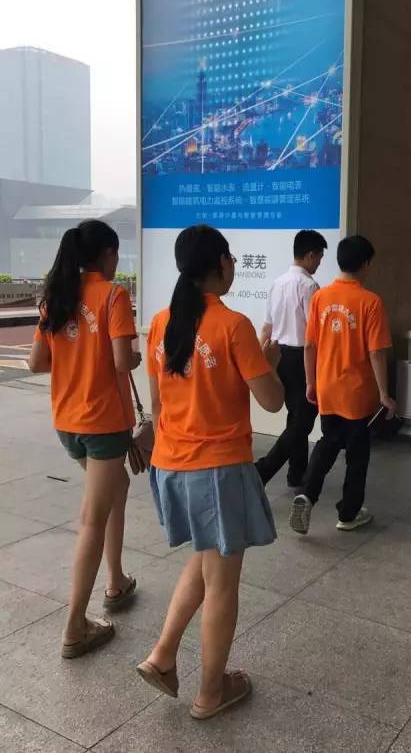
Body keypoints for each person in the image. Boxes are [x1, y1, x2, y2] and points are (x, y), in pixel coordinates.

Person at [137, 225, 284, 721]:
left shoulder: (162, 322)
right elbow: (272, 400)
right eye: (231, 258)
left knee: (205, 560)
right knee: (222, 582)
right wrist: (269, 361)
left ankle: (162, 656)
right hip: (216, 469)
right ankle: (210, 693)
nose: (234, 265)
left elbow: (159, 403)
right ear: (220, 264)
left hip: (171, 463)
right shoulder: (233, 325)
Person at [28, 220, 141, 658]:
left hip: (68, 423)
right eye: (116, 254)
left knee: (118, 486)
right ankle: (75, 626)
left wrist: (76, 358)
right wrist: (133, 354)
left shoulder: (57, 296)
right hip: (103, 424)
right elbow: (121, 361)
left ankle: (117, 580)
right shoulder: (113, 295)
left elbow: (37, 362)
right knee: (93, 519)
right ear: (107, 254)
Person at [289, 235, 394, 534]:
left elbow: (310, 345)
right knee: (357, 456)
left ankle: (307, 493)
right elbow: (376, 352)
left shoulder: (321, 297)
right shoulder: (370, 302)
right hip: (357, 393)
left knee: (328, 441)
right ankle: (348, 514)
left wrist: (311, 383)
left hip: (327, 387)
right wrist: (385, 394)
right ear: (366, 264)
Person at [256, 230, 327, 489]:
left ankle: (297, 473)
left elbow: (267, 327)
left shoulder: (277, 283)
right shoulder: (309, 287)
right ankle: (263, 469)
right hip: (301, 359)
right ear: (310, 255)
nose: (318, 263)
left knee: (296, 417)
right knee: (303, 422)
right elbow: (313, 335)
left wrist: (260, 359)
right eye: (319, 258)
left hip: (280, 356)